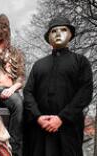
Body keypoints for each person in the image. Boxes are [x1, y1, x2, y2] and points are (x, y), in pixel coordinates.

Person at [23, 16, 93, 156]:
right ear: (48, 37)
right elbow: (28, 92)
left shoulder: (80, 62)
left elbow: (85, 92)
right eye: (54, 31)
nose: (58, 33)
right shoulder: (38, 65)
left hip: (68, 129)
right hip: (40, 131)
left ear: (70, 34)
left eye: (63, 30)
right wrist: (38, 117)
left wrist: (62, 118)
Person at [0, 14, 25, 156]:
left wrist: (12, 89)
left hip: (8, 91)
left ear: (8, 30)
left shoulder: (16, 53)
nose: (1, 30)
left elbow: (21, 77)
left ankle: (14, 149)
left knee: (19, 103)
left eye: (4, 27)